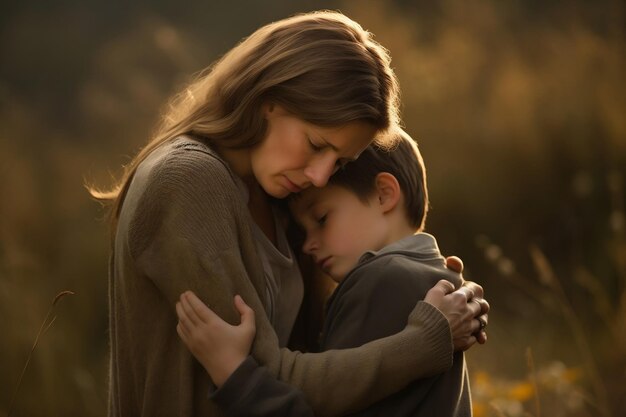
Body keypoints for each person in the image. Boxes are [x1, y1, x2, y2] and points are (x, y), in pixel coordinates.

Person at [90, 10, 489, 417]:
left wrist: (429, 281)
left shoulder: (278, 196)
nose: (320, 177)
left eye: (338, 163)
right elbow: (265, 377)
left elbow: (306, 364)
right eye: (316, 144)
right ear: (270, 101)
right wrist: (427, 339)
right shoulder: (188, 179)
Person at [177, 129, 478, 416]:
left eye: (321, 218)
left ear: (384, 194)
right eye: (302, 231)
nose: (307, 245)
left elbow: (326, 407)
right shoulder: (435, 275)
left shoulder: (379, 280)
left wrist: (234, 374)